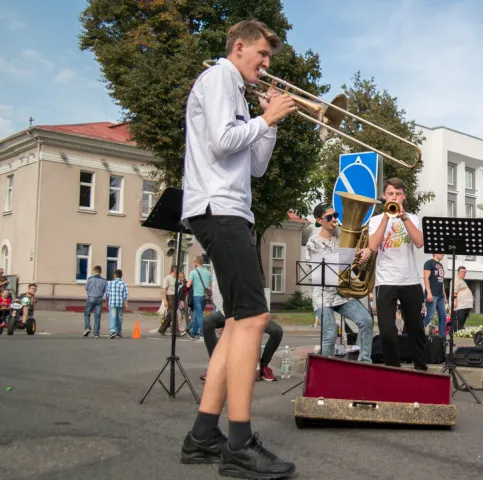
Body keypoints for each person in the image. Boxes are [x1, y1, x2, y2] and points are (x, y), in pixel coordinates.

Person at [178, 19, 299, 478]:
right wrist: (263, 117)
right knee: (254, 317)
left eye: (269, 58)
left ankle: (204, 436)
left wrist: (267, 122)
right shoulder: (219, 78)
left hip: (231, 208)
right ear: (240, 46)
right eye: (262, 55)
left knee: (236, 323)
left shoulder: (237, 91)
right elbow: (222, 141)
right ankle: (239, 444)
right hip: (217, 207)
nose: (266, 65)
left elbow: (257, 166)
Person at [367, 178, 427, 370]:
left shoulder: (412, 218)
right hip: (386, 281)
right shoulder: (376, 220)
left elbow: (419, 242)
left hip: (410, 280)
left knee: (416, 329)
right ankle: (393, 369)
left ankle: (421, 368)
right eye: (391, 194)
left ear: (404, 197)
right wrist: (386, 217)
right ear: (384, 196)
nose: (394, 197)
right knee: (386, 331)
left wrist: (404, 218)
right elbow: (373, 246)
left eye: (398, 194)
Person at [305, 203, 374, 362]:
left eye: (335, 215)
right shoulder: (312, 242)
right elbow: (315, 273)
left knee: (366, 320)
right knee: (329, 332)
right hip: (323, 296)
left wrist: (361, 258)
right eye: (329, 217)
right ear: (319, 220)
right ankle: (326, 371)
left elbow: (356, 263)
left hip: (343, 293)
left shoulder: (344, 235)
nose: (334, 219)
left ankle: (365, 363)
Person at [201, 266, 284, 382]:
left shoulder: (245, 257)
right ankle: (216, 365)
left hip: (250, 310)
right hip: (229, 310)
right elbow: (216, 291)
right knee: (207, 323)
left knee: (277, 331)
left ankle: (264, 366)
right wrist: (230, 316)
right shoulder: (218, 259)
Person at [423, 253, 447, 336]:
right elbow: (426, 278)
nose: (443, 254)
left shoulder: (441, 265)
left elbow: (441, 281)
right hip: (432, 294)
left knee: (443, 316)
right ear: (435, 253)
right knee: (430, 315)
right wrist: (429, 293)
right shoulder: (429, 263)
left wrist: (444, 295)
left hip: (440, 295)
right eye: (441, 252)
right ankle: (418, 330)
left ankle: (442, 337)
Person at [83, 265, 108, 337]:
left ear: (94, 271)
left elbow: (86, 288)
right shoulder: (104, 280)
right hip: (99, 299)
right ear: (101, 272)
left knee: (87, 313)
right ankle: (96, 333)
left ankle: (87, 327)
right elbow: (105, 291)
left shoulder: (90, 279)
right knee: (97, 316)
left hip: (91, 297)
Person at [105, 270, 128, 339]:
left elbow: (107, 293)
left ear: (114, 275)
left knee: (113, 316)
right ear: (121, 276)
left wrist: (107, 301)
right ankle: (118, 332)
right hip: (120, 303)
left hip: (112, 303)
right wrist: (126, 304)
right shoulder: (124, 284)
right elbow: (125, 294)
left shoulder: (110, 283)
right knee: (120, 317)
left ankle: (112, 331)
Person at [452, 266, 473, 331]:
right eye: (462, 272)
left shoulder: (462, 281)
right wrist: (454, 300)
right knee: (459, 320)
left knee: (462, 320)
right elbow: (454, 290)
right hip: (461, 305)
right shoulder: (456, 280)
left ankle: (460, 330)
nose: (464, 273)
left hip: (466, 305)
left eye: (465, 272)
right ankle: (457, 332)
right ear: (458, 272)